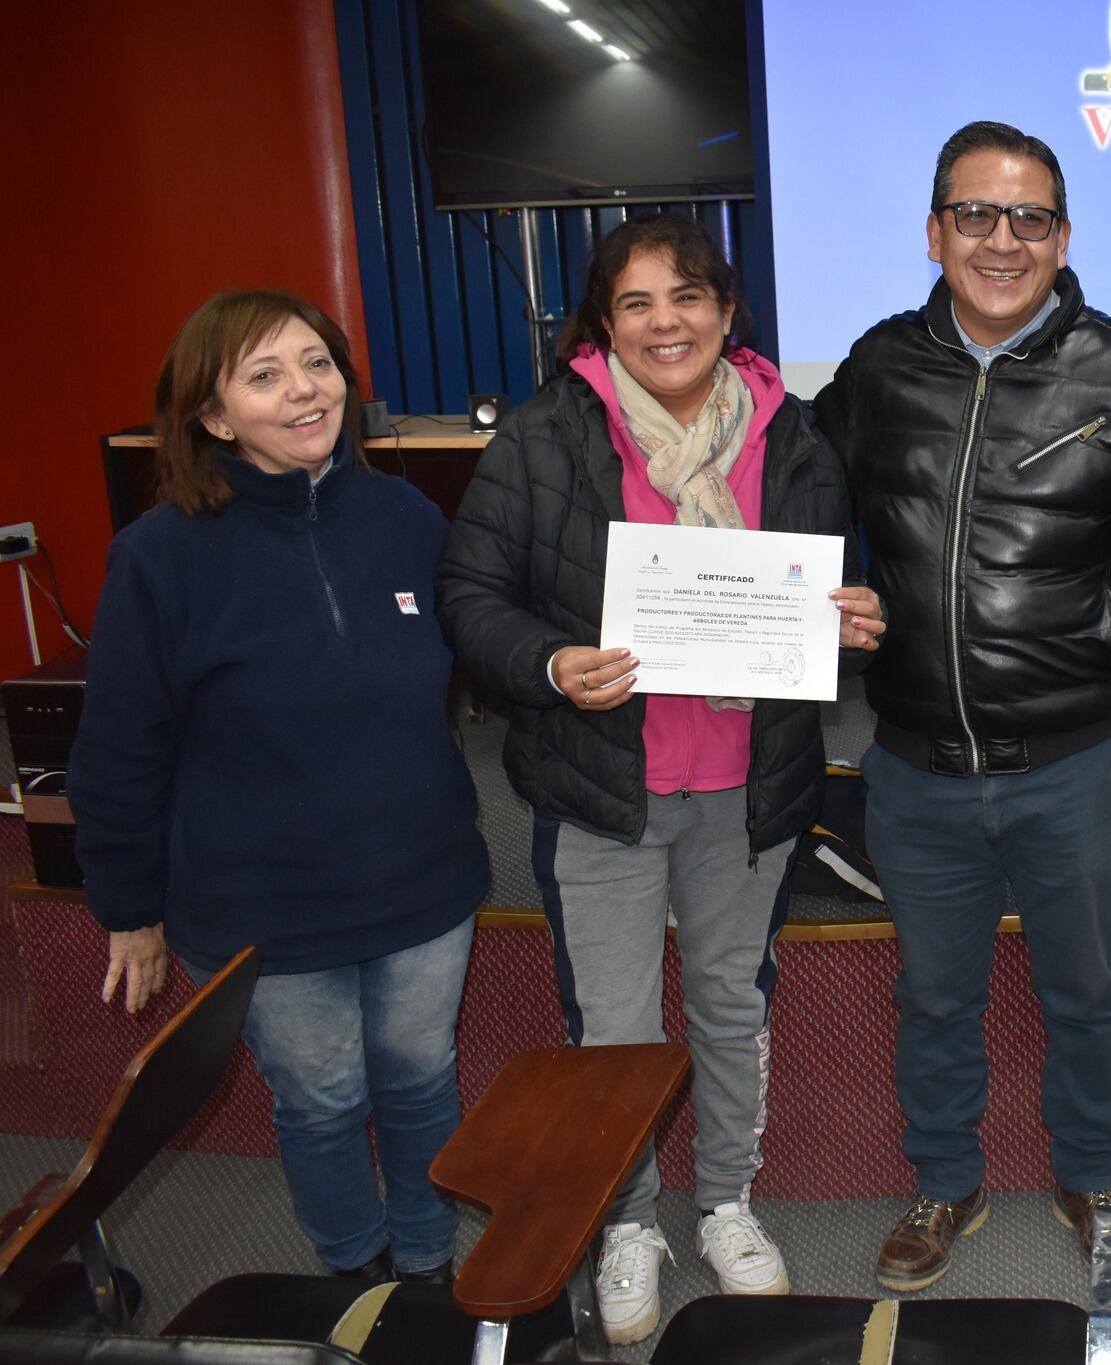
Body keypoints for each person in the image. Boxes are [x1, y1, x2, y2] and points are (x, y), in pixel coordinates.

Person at [436, 215, 880, 1342]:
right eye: (635, 304)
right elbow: (471, 597)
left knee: (731, 1004)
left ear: (726, 312)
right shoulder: (544, 437)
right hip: (601, 787)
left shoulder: (796, 436)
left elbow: (835, 595)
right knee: (617, 1029)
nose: (664, 322)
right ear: (605, 324)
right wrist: (546, 663)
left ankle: (727, 1200)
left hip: (749, 783)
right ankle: (626, 1217)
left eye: (686, 297)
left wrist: (859, 621)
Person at [811, 120, 1111, 1292]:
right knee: (932, 997)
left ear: (1062, 234)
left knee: (1083, 993)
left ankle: (1089, 1171)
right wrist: (818, 601)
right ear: (933, 231)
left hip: (1075, 760)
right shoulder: (877, 369)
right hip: (913, 765)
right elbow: (812, 519)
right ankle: (945, 1181)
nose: (1001, 240)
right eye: (975, 216)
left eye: (1027, 217)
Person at [70, 290, 491, 1285]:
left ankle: (427, 1272)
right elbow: (119, 750)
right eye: (265, 376)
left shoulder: (402, 516)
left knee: (422, 1081)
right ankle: (353, 1272)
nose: (306, 391)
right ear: (214, 418)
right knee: (322, 1098)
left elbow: (465, 662)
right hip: (263, 905)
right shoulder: (158, 559)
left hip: (421, 882)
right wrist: (129, 909)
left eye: (317, 363)